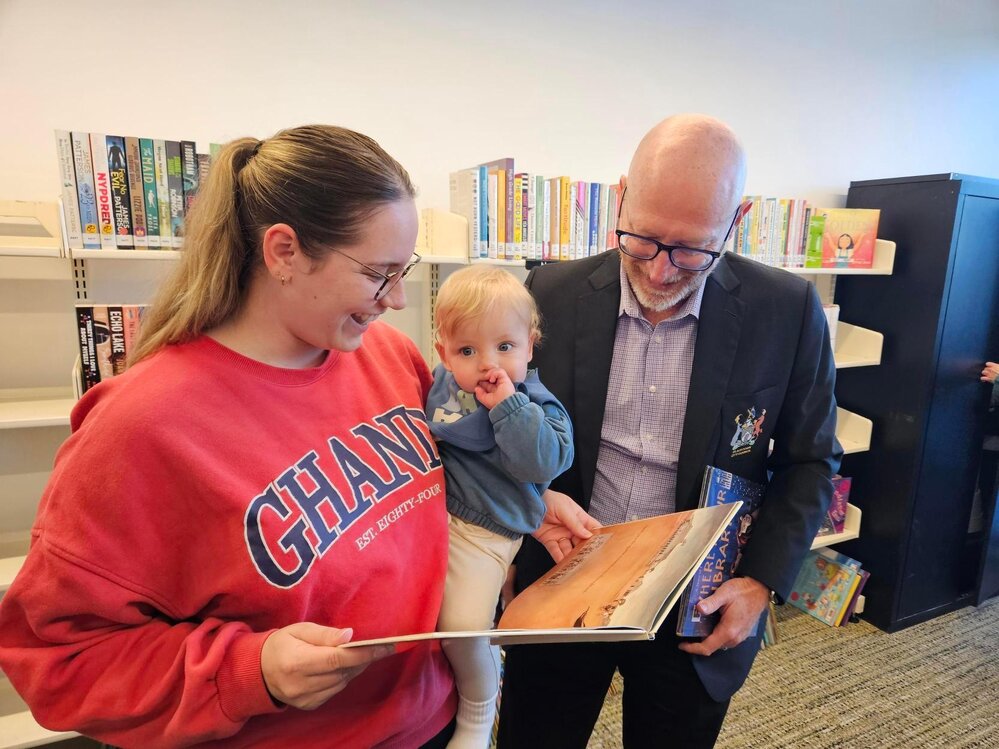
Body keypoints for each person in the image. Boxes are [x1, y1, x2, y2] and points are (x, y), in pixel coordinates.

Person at [0, 124, 455, 748]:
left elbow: (437, 497)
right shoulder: (140, 427)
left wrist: (528, 504)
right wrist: (249, 670)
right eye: (379, 273)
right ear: (284, 252)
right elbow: (59, 660)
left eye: (406, 271)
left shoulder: (390, 356)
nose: (398, 299)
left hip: (433, 719)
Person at [497, 114, 843, 749]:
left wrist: (762, 581)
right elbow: (506, 431)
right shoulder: (550, 291)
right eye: (643, 240)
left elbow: (810, 460)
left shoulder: (786, 310)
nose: (660, 273)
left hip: (696, 598)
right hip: (563, 576)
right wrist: (510, 542)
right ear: (621, 197)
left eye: (692, 250)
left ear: (736, 221)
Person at [426, 265, 576, 749]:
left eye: (505, 347)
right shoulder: (443, 384)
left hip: (487, 533)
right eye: (468, 351)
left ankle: (478, 710)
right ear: (444, 354)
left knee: (462, 628)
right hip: (434, 518)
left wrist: (509, 407)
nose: (489, 364)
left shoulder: (535, 403)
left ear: (530, 346)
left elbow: (544, 463)